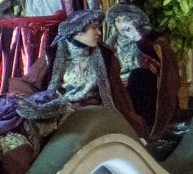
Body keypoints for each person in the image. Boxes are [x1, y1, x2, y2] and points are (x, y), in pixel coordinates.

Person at [42, 10, 148, 138]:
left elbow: (119, 95)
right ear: (78, 32)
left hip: (95, 116)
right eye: (94, 28)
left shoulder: (105, 56)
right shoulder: (53, 56)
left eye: (99, 27)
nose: (99, 32)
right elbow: (32, 83)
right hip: (63, 116)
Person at [106, 4, 182, 140]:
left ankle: (146, 127)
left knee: (138, 76)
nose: (122, 24)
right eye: (118, 20)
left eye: (126, 19)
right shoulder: (111, 42)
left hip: (144, 83)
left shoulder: (150, 37)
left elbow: (159, 55)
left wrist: (137, 37)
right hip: (120, 82)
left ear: (135, 20)